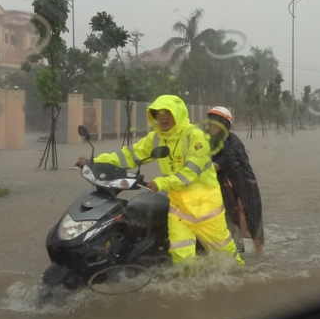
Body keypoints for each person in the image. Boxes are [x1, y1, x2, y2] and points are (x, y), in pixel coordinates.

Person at [76, 95, 243, 267]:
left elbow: (190, 173)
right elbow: (130, 155)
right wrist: (95, 161)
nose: (161, 117)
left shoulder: (196, 136)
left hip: (207, 210)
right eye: (157, 113)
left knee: (227, 257)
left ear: (177, 113)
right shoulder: (156, 138)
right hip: (179, 211)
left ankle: (242, 278)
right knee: (182, 260)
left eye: (166, 112)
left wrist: (160, 184)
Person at [205, 107, 265, 256]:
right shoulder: (210, 142)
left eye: (216, 122)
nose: (211, 125)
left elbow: (220, 164)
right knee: (225, 219)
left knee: (248, 218)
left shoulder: (232, 142)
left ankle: (258, 257)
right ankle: (231, 250)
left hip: (243, 187)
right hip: (224, 186)